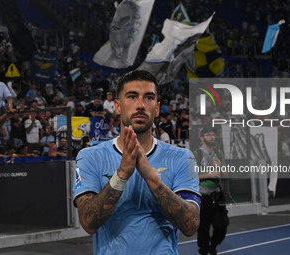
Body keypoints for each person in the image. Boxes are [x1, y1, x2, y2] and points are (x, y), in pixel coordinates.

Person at [73, 70, 200, 255]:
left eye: (148, 98)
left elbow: (191, 224)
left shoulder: (181, 157)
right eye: (132, 96)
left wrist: (151, 176)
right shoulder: (90, 157)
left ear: (157, 109)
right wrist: (122, 174)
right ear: (117, 106)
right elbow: (88, 222)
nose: (140, 105)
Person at [194, 127, 229, 255]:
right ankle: (203, 251)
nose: (212, 137)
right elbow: (190, 176)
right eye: (208, 134)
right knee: (203, 228)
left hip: (217, 196)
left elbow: (225, 176)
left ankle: (212, 245)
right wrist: (209, 174)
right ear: (202, 138)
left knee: (222, 226)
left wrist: (220, 168)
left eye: (213, 134)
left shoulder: (218, 153)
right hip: (203, 196)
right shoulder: (197, 154)